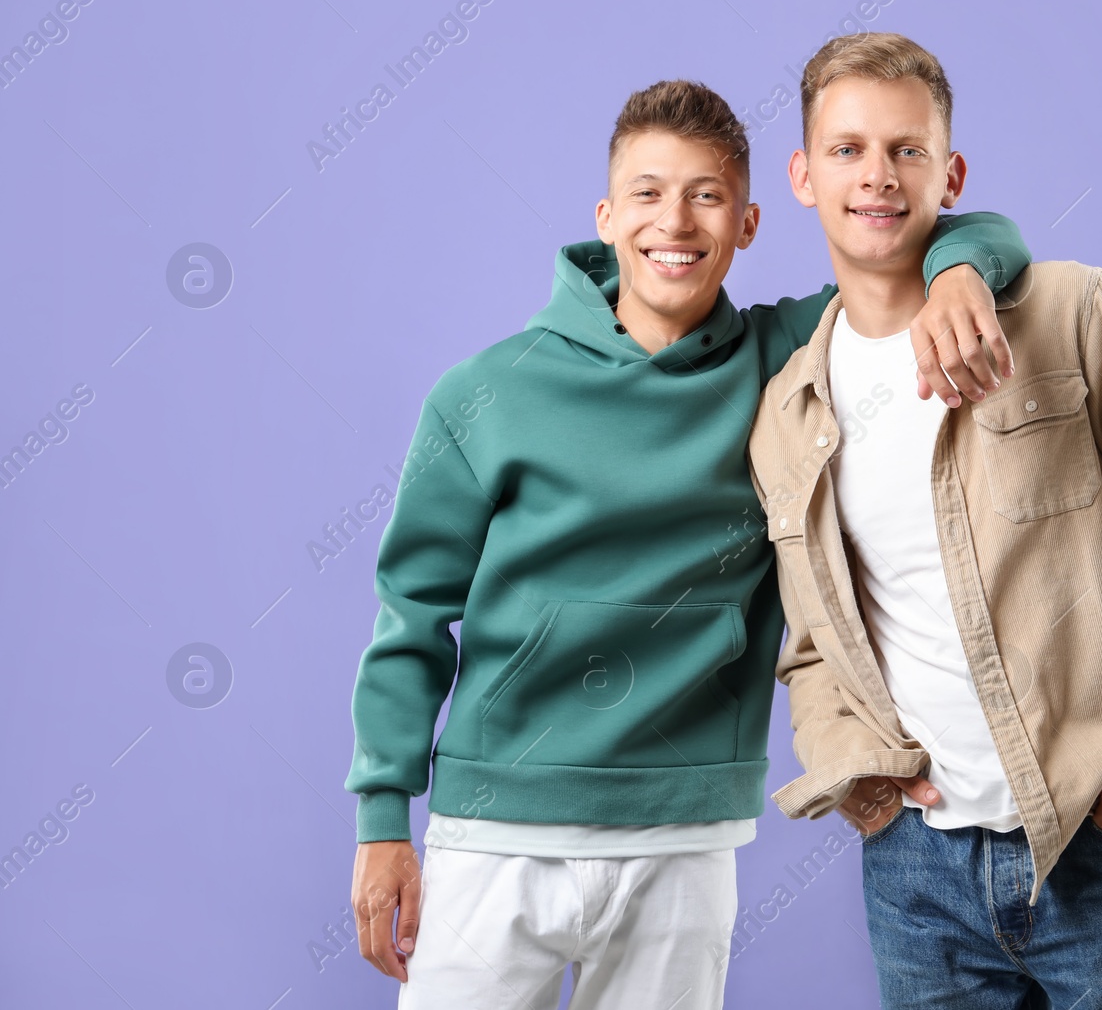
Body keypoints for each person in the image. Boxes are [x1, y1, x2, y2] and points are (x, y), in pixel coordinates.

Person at [343, 76, 1032, 1009]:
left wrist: (956, 273)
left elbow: (982, 236)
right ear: (606, 213)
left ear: (747, 222)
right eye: (648, 193)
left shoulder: (786, 356)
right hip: (496, 828)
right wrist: (383, 816)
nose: (676, 220)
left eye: (706, 195)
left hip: (687, 835)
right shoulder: (485, 393)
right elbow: (412, 616)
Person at [747, 31, 1102, 1009]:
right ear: (802, 175)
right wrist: (853, 772)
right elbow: (813, 642)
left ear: (951, 172)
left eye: (906, 150)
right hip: (917, 881)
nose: (877, 177)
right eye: (847, 149)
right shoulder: (787, 411)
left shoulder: (1070, 311)